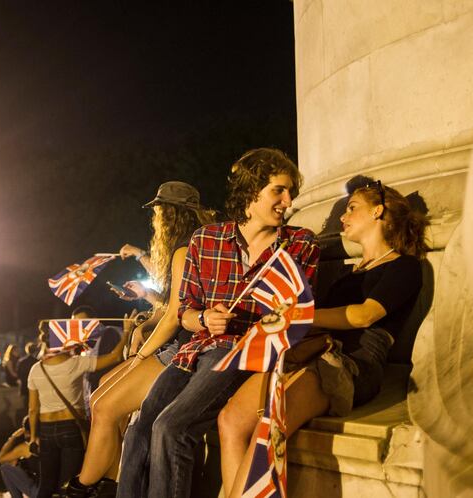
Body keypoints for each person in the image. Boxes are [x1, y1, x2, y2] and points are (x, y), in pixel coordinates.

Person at [116, 148, 320, 498]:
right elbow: (185, 313)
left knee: (170, 427)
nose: (288, 201)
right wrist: (205, 317)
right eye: (279, 190)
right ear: (252, 191)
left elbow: (296, 311)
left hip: (238, 351)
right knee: (139, 427)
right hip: (193, 350)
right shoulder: (206, 240)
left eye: (290, 193)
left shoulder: (298, 244)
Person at [218, 179, 427, 497]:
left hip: (351, 364)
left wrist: (296, 314)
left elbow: (364, 315)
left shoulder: (404, 266)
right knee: (231, 420)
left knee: (269, 429)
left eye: (352, 208)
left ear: (378, 211)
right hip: (311, 352)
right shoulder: (350, 273)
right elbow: (314, 320)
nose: (343, 217)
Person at [62, 180, 215, 498]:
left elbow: (175, 314)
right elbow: (173, 305)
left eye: (157, 211)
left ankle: (84, 486)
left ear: (169, 214)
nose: (154, 219)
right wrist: (146, 317)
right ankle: (108, 477)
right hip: (175, 342)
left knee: (104, 407)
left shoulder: (185, 249)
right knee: (102, 389)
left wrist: (143, 353)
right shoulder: (186, 246)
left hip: (181, 348)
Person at [28, 322, 128, 498]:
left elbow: (33, 409)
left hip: (46, 429)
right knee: (68, 483)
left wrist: (33, 436)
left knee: (46, 483)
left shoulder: (36, 369)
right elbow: (114, 357)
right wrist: (126, 331)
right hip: (70, 427)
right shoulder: (76, 363)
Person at [0, 416, 39, 498]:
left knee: (5, 467)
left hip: (40, 493)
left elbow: (1, 458)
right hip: (56, 489)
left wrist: (13, 437)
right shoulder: (50, 441)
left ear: (26, 431)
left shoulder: (25, 447)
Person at [16, 343, 39, 411]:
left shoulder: (21, 362)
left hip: (25, 388)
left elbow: (18, 375)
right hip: (35, 387)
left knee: (26, 407)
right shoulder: (37, 362)